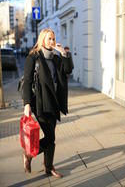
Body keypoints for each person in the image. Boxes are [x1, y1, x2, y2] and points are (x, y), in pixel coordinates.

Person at [22, 28, 74, 178]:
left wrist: (64, 54)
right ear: (42, 40)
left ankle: (45, 165)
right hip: (40, 102)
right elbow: (27, 81)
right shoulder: (34, 57)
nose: (51, 41)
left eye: (53, 38)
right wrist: (26, 105)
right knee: (50, 137)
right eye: (49, 38)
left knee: (51, 139)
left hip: (55, 102)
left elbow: (69, 70)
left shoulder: (56, 58)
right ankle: (32, 156)